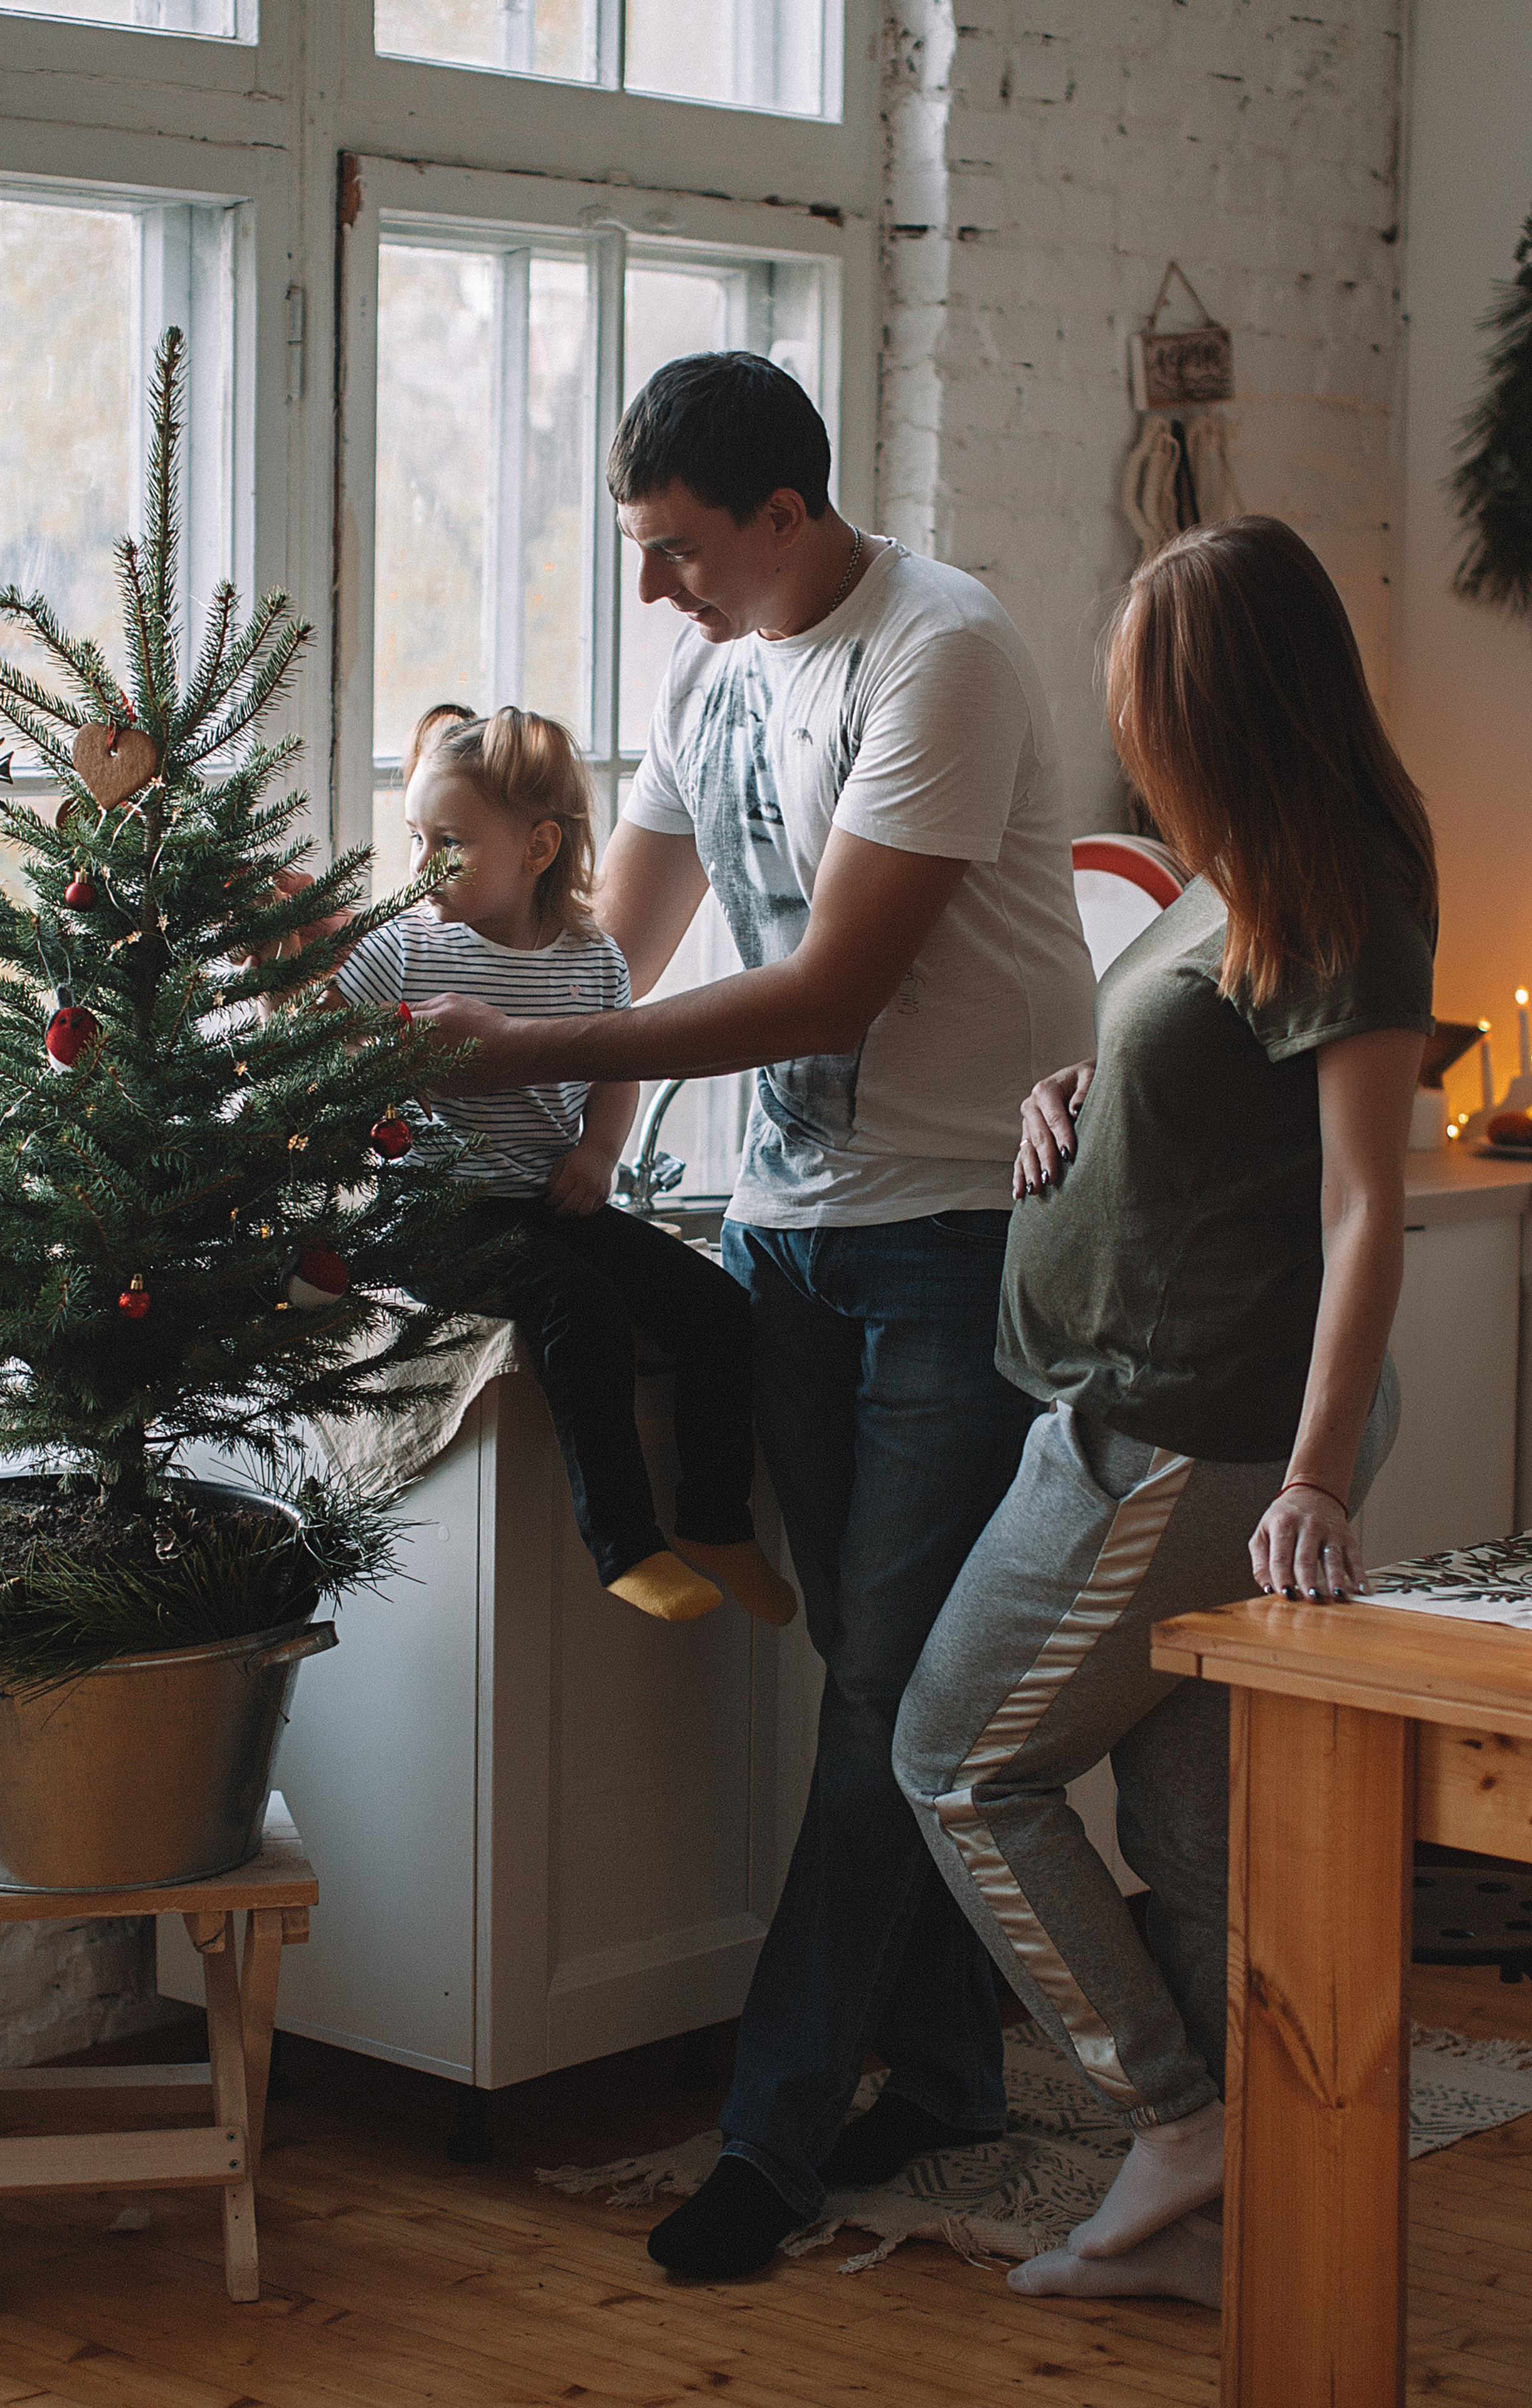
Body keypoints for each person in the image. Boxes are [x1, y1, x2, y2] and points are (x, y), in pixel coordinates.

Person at [408, 352, 1097, 2276]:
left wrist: (535, 1068)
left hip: (961, 1235)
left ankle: (770, 2139)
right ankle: (953, 2073)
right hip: (788, 1238)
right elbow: (625, 944)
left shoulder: (937, 653)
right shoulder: (717, 675)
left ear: (785, 516)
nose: (656, 594)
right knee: (887, 1682)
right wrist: (584, 1161)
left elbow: (831, 992)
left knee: (892, 1687)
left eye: (679, 550)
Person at [892, 514, 1437, 2308]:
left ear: (1218, 704)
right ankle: (1240, 2217)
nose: (1132, 735)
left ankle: (1173, 2120)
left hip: (1185, 1434)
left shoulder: (1338, 879)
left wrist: (1313, 1478)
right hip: (1132, 1403)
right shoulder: (1239, 862)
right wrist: (1081, 1087)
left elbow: (1368, 1201)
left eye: (1147, 699)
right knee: (1194, 1831)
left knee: (959, 1762)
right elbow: (1206, 1060)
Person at [330, 703, 796, 1631]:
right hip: (436, 1212)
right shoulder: (402, 950)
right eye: (416, 839)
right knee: (579, 1304)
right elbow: (328, 1047)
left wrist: (598, 1152)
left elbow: (615, 1067)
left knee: (715, 1307)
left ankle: (713, 1520)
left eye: (448, 843)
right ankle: (624, 1545)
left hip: (547, 1196)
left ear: (539, 846)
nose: (421, 867)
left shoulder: (592, 963)